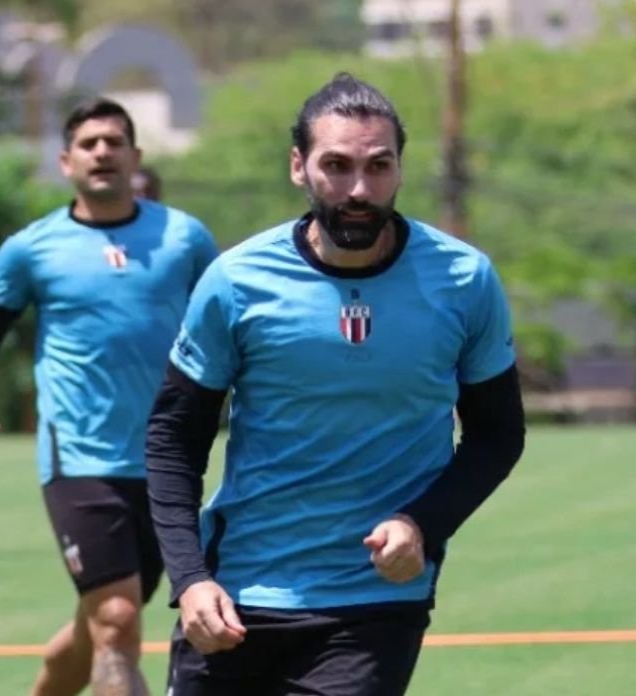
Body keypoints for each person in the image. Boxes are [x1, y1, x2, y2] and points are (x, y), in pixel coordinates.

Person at [145, 72, 527, 696]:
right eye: (337, 165)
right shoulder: (236, 282)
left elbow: (498, 435)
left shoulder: (464, 281)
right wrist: (189, 579)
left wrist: (423, 523)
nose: (358, 189)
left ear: (401, 167)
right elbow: (173, 439)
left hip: (375, 599)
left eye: (379, 166)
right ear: (298, 167)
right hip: (237, 591)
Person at [0, 98, 218, 695]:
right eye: (89, 144)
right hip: (79, 459)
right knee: (117, 622)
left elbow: (229, 326)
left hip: (168, 459)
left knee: (100, 621)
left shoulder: (183, 238)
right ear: (66, 161)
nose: (102, 152)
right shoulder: (31, 248)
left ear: (135, 157)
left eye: (114, 142)